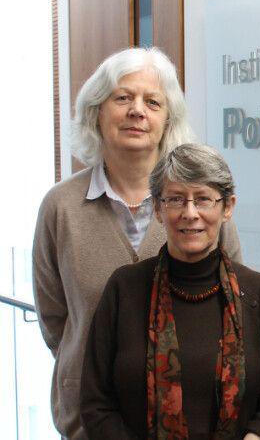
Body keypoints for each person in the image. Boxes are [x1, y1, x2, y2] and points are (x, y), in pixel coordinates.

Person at [33, 47, 241, 439]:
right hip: (89, 424)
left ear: (168, 120)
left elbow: (233, 301)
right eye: (123, 97)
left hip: (196, 423)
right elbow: (56, 318)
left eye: (152, 102)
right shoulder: (59, 207)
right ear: (97, 112)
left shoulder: (202, 206)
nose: (137, 111)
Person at [80, 144, 260, 439]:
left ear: (228, 206)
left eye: (204, 199)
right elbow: (96, 403)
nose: (190, 213)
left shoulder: (258, 291)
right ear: (158, 208)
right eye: (176, 199)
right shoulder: (124, 288)